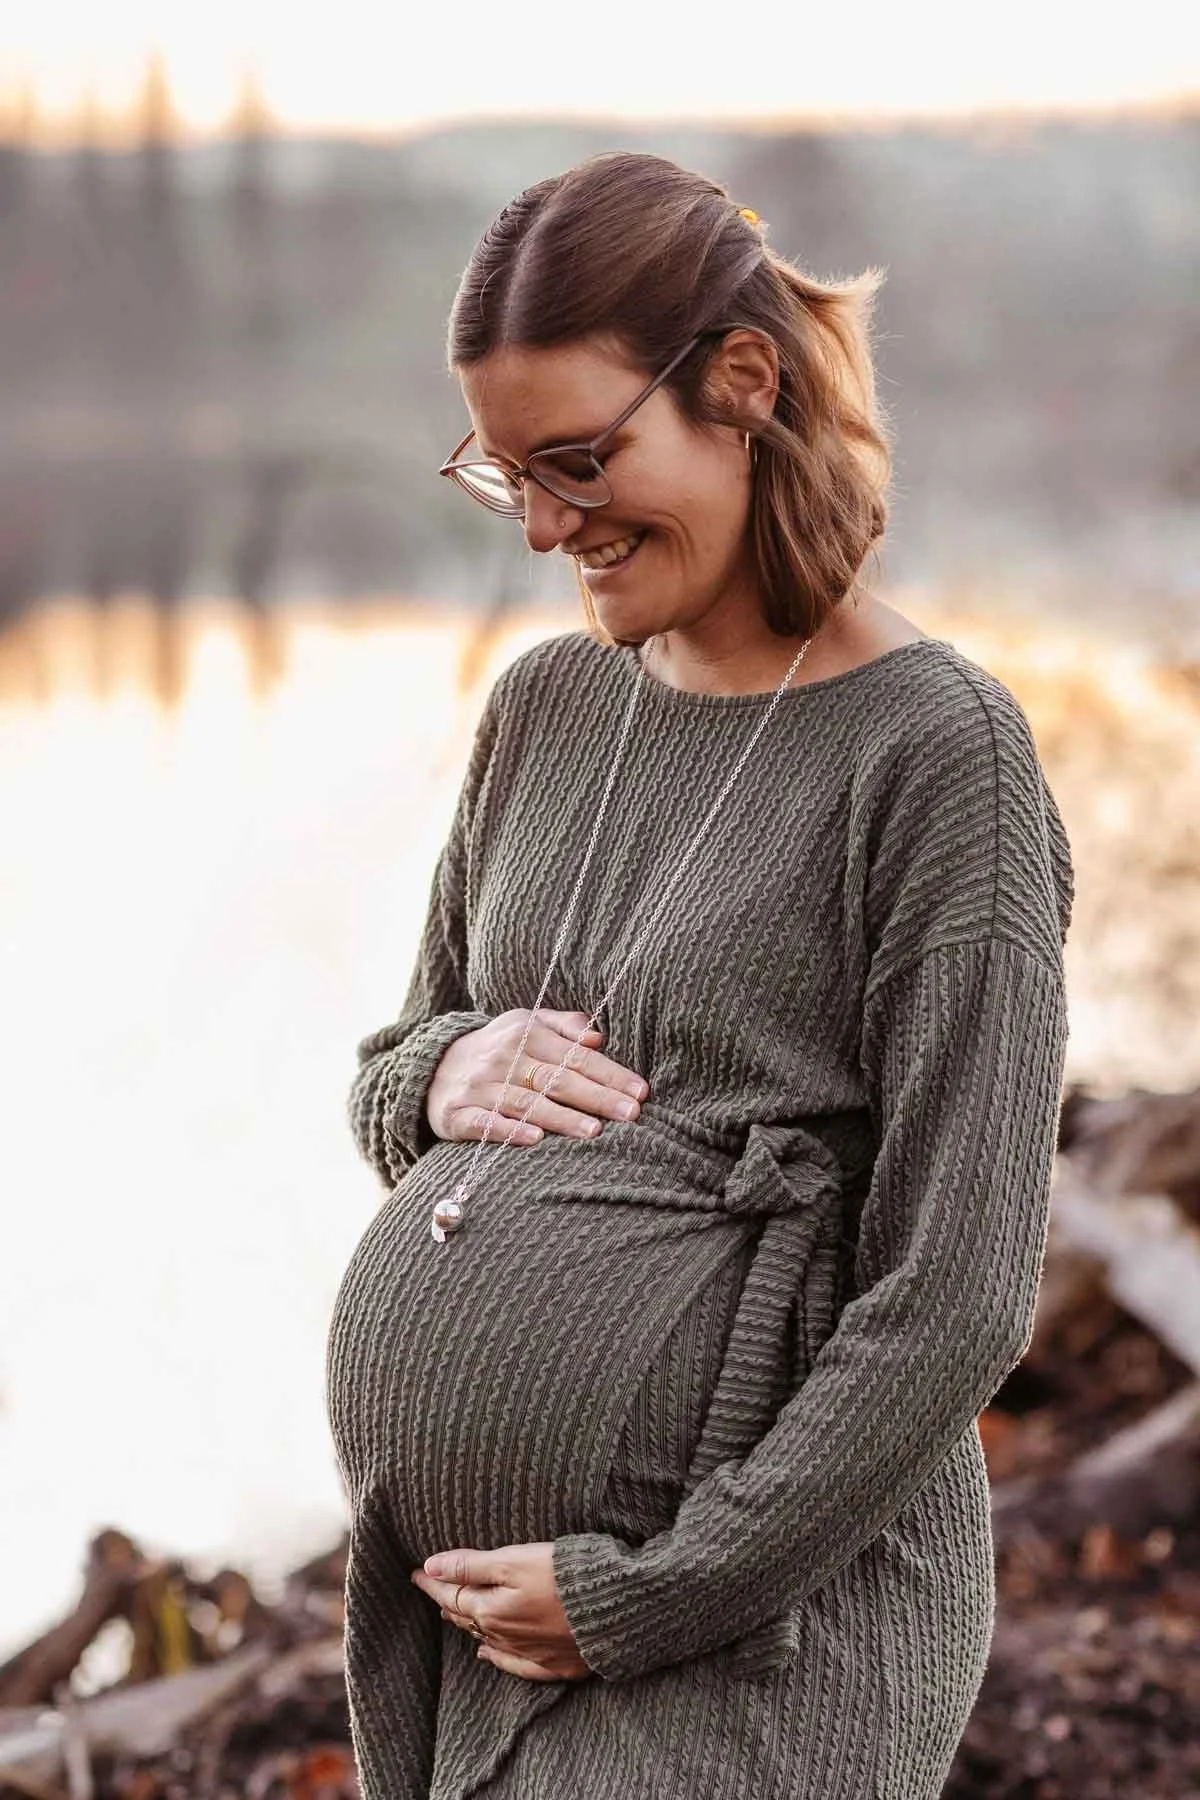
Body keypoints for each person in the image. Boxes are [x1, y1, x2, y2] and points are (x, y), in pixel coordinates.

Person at [324, 150, 1075, 1800]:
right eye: (502, 474)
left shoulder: (940, 757)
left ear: (741, 385)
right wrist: (438, 1074)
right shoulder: (545, 710)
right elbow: (394, 1078)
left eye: (581, 460)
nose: (539, 527)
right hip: (465, 1626)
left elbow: (955, 1295)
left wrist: (649, 1594)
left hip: (757, 1643)